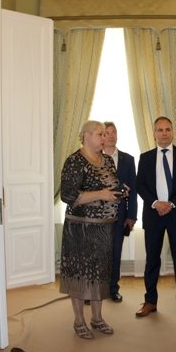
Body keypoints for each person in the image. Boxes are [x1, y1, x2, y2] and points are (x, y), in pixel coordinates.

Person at [59, 120, 124, 339]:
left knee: (100, 275)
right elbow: (67, 195)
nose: (104, 138)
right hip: (80, 229)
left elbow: (111, 186)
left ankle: (97, 318)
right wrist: (100, 194)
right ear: (86, 136)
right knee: (79, 275)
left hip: (104, 229)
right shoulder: (75, 161)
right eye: (99, 134)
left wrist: (118, 192)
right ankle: (79, 321)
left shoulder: (107, 160)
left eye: (105, 134)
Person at [135, 116, 176, 318]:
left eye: (167, 129)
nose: (164, 133)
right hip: (153, 215)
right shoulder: (145, 157)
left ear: (172, 132)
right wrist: (156, 203)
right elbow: (140, 185)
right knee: (152, 260)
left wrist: (171, 204)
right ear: (154, 133)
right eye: (160, 130)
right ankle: (150, 301)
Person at [103, 121, 137, 303]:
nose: (111, 136)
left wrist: (131, 216)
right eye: (107, 132)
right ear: (101, 136)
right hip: (97, 216)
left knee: (116, 253)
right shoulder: (93, 158)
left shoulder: (128, 159)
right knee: (97, 254)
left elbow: (133, 190)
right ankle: (93, 290)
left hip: (119, 215)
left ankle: (113, 289)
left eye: (113, 132)